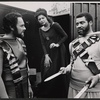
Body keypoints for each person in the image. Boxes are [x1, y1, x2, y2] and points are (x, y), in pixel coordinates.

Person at [60, 12, 100, 98]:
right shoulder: (72, 44)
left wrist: (98, 77)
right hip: (74, 88)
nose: (78, 26)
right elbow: (72, 62)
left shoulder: (99, 41)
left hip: (95, 89)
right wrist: (67, 69)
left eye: (82, 22)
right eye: (77, 24)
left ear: (90, 23)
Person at [35, 8, 69, 98]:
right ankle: (48, 93)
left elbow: (65, 36)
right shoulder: (40, 29)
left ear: (46, 17)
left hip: (59, 51)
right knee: (46, 69)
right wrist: (46, 55)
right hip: (49, 52)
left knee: (57, 70)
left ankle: (59, 92)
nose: (41, 20)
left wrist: (57, 44)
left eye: (43, 18)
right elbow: (42, 43)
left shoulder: (55, 25)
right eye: (39, 19)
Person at [0, 12, 33, 98]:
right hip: (11, 91)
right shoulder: (1, 45)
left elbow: (26, 66)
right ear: (11, 27)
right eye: (21, 26)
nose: (25, 28)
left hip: (25, 88)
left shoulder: (21, 41)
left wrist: (29, 86)